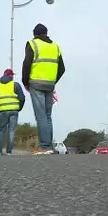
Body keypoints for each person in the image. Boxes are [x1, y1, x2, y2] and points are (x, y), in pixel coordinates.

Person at [22, 23, 65, 155]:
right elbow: (62, 68)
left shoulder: (32, 44)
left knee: (40, 115)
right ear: (46, 33)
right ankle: (49, 146)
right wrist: (53, 81)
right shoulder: (55, 46)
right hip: (50, 84)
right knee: (47, 115)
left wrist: (25, 82)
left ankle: (44, 146)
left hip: (36, 83)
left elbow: (27, 64)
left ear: (35, 34)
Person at [0, 69, 25, 155]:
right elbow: (22, 98)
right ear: (11, 76)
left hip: (3, 111)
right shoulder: (15, 85)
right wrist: (19, 108)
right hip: (14, 110)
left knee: (1, 131)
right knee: (11, 131)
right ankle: (9, 152)